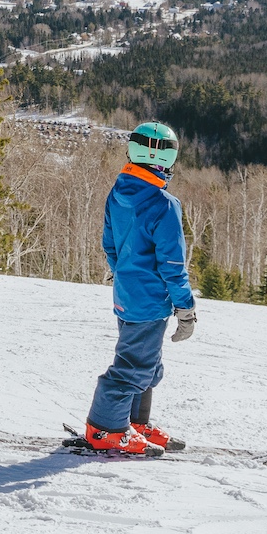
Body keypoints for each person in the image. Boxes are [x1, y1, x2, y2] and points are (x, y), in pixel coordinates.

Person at [82, 121, 198, 455]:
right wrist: (186, 310)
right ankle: (105, 429)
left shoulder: (118, 192)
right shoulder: (164, 204)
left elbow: (110, 244)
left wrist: (126, 277)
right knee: (133, 366)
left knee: (147, 363)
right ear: (165, 159)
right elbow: (173, 266)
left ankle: (134, 422)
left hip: (127, 294)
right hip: (149, 300)